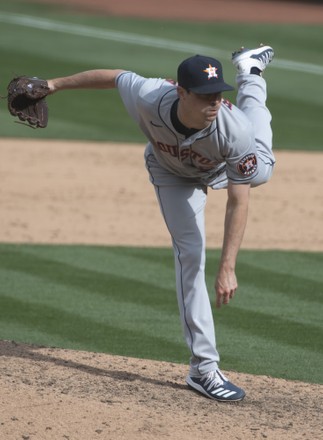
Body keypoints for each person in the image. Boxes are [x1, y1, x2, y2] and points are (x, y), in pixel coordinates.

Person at [46, 45, 275, 402]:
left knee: (261, 167)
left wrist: (228, 266)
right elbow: (114, 77)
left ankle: (250, 74)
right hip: (172, 175)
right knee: (191, 255)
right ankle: (204, 369)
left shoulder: (232, 129)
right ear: (181, 91)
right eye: (204, 96)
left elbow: (238, 199)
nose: (213, 103)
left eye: (217, 95)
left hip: (221, 166)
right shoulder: (150, 94)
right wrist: (52, 84)